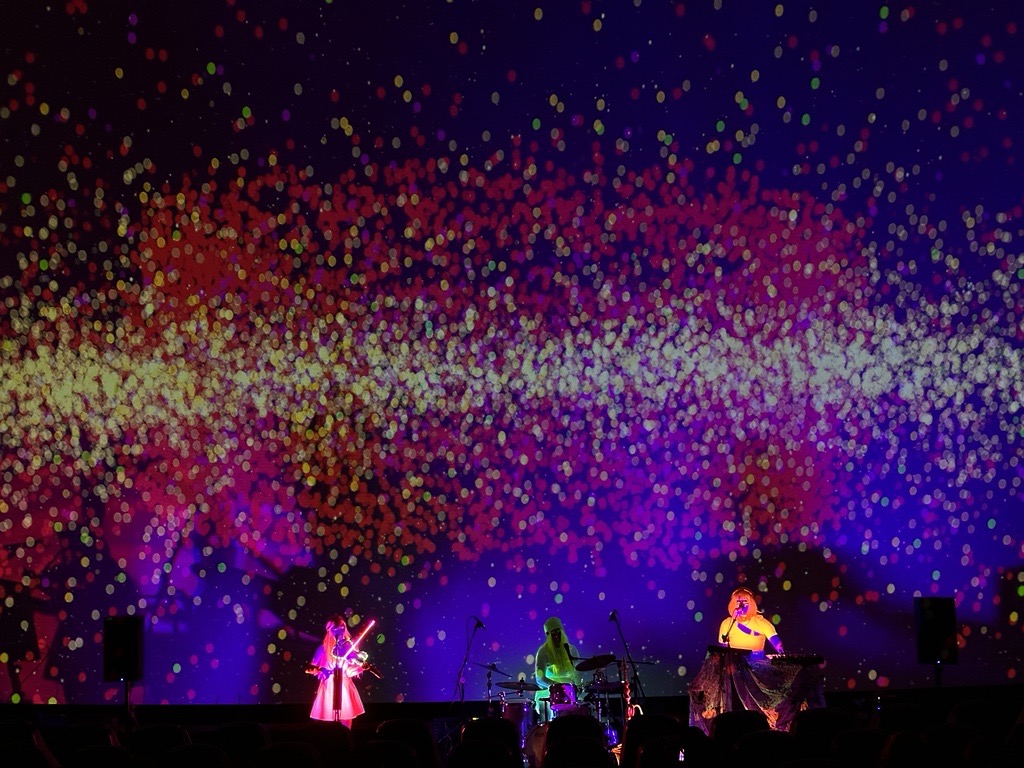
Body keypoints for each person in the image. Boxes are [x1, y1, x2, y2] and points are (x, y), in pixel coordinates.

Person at [308, 615, 366, 727]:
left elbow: (349, 672)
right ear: (330, 630)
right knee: (330, 729)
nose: (341, 630)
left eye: (343, 626)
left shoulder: (349, 648)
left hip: (345, 688)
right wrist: (321, 670)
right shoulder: (323, 649)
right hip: (329, 688)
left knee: (346, 726)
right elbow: (309, 668)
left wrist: (360, 667)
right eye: (336, 628)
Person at [533, 616, 582, 721]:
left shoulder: (571, 650)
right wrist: (559, 688)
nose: (556, 636)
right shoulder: (543, 652)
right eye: (553, 634)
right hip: (548, 693)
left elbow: (577, 673)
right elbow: (540, 678)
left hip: (570, 694)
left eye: (558, 632)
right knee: (545, 708)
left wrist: (577, 689)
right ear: (549, 635)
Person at [718, 587, 785, 655]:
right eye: (738, 601)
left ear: (751, 603)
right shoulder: (726, 623)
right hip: (735, 663)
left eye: (745, 601)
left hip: (756, 663)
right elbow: (723, 649)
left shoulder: (761, 622)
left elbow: (776, 642)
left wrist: (781, 654)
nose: (741, 604)